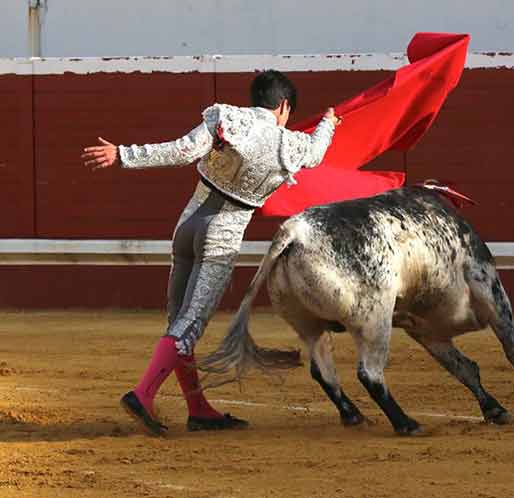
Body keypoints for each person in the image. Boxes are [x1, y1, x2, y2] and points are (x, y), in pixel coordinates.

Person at [82, 70, 340, 436]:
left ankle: (198, 409)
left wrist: (123, 155)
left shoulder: (225, 117)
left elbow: (181, 150)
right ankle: (143, 393)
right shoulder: (290, 143)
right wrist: (328, 123)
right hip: (222, 235)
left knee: (178, 322)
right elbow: (316, 153)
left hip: (187, 226)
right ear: (283, 106)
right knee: (190, 325)